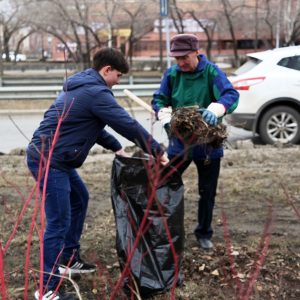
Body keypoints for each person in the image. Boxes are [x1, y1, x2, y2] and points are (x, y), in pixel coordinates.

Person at [26, 47, 169, 300]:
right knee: (58, 220)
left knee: (80, 198)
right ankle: (47, 289)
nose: (119, 80)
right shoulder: (95, 92)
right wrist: (156, 150)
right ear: (107, 70)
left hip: (54, 157)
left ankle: (68, 258)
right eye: (119, 75)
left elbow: (94, 126)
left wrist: (116, 147)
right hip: (50, 160)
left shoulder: (83, 89)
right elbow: (127, 124)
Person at [152, 34, 239, 251]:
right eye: (177, 58)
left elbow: (231, 94)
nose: (181, 62)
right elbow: (159, 99)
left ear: (196, 53)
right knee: (166, 184)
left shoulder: (211, 72)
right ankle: (165, 229)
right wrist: (164, 117)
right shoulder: (172, 74)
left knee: (207, 191)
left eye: (185, 57)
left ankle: (203, 233)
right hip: (179, 144)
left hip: (208, 143)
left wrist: (215, 109)